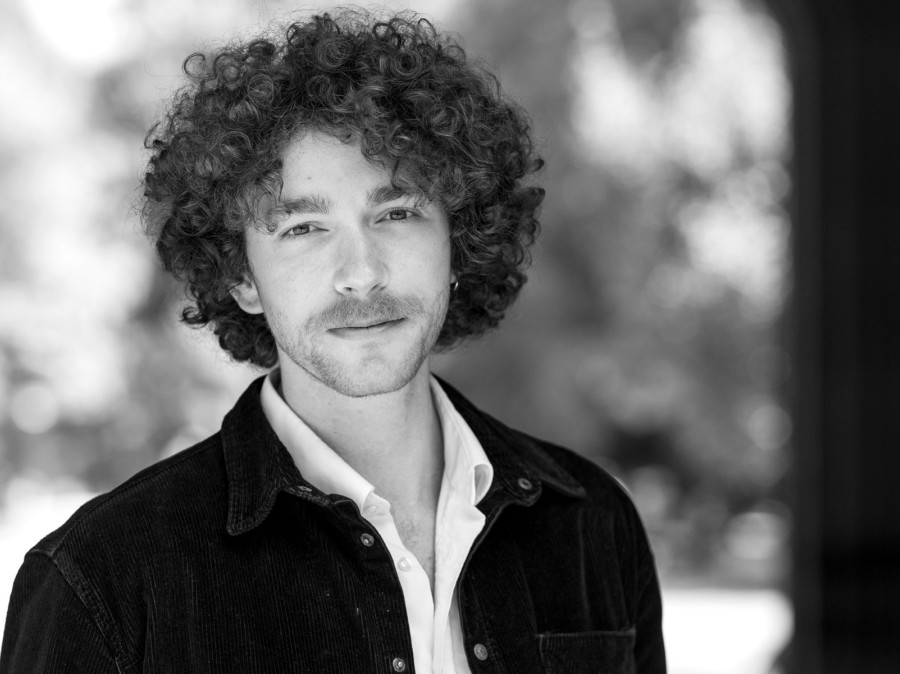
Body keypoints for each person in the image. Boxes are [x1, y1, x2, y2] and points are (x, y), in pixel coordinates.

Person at [0, 9, 666, 673]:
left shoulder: (593, 527)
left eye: (397, 213)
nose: (361, 274)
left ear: (457, 244)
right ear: (241, 278)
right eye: (303, 230)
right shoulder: (101, 579)